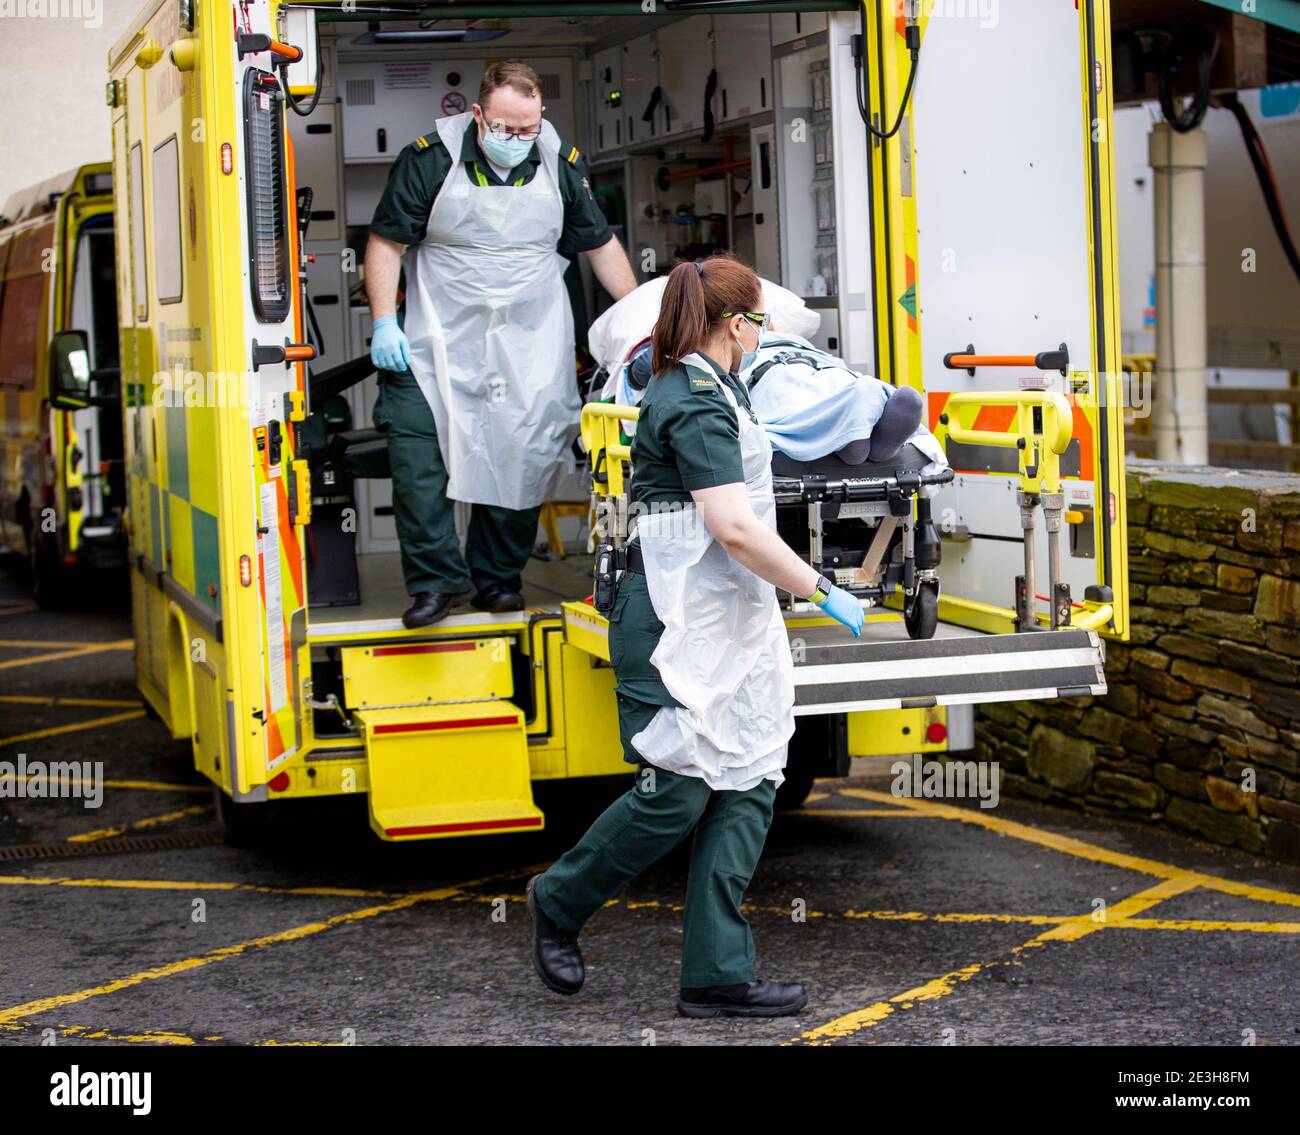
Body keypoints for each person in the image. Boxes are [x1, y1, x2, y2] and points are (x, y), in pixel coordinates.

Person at [527, 254, 864, 1018]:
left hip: (729, 612)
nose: (759, 336)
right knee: (676, 789)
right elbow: (734, 528)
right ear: (736, 325)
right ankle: (559, 897)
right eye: (758, 324)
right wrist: (821, 587)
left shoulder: (722, 383)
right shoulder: (689, 400)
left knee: (749, 778)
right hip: (674, 615)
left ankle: (716, 972)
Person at [365, 61, 638, 628]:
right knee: (420, 462)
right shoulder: (429, 158)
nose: (516, 140)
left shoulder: (561, 165)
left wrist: (640, 319)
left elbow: (599, 245)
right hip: (436, 338)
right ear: (478, 115)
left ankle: (496, 578)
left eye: (527, 129)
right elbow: (386, 243)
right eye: (505, 128)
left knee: (523, 454)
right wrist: (384, 320)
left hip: (530, 339)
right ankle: (437, 584)